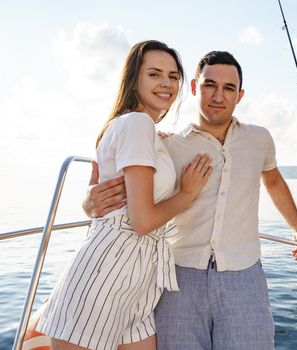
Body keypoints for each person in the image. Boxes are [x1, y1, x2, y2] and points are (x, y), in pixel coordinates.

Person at [83, 51, 297, 349]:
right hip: (178, 279)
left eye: (229, 88)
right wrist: (87, 202)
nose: (218, 96)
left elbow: (272, 179)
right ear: (194, 87)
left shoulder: (260, 139)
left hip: (244, 277)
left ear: (240, 95)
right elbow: (115, 172)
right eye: (209, 85)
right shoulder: (166, 144)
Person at [37, 40, 212, 350]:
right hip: (108, 270)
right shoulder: (137, 123)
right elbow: (142, 221)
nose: (166, 83)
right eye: (155, 74)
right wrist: (187, 193)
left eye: (173, 76)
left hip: (139, 278)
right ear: (134, 79)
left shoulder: (141, 128)